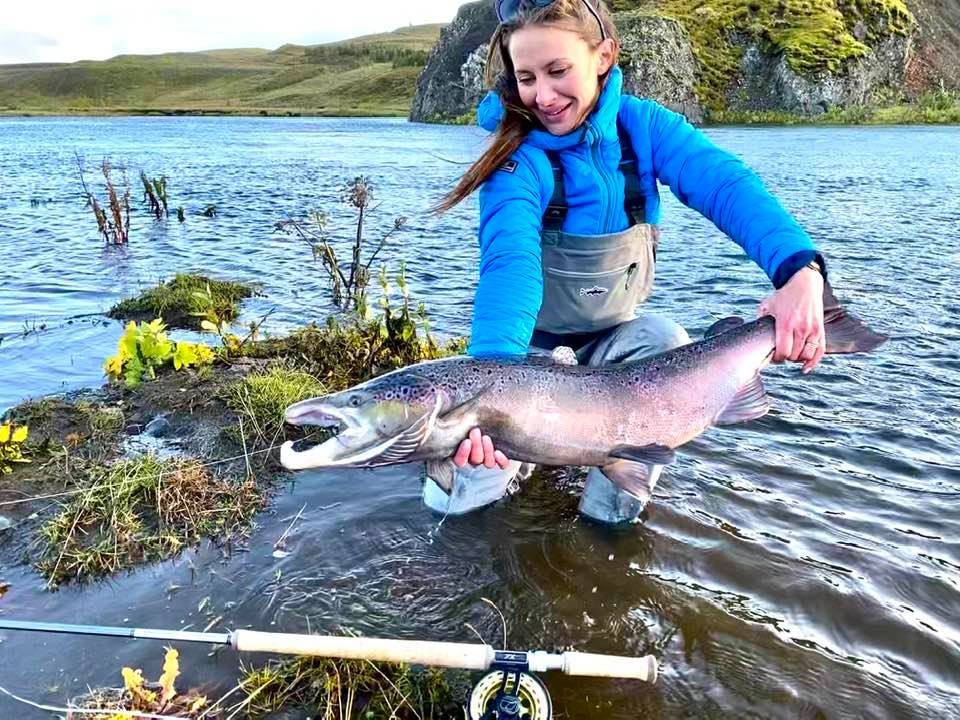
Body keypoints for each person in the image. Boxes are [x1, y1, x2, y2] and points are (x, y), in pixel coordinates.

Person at [424, 0, 827, 523]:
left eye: (557, 70)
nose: (542, 95)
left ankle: (609, 519)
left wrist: (799, 272)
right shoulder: (516, 159)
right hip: (522, 360)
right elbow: (510, 265)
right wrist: (486, 399)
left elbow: (728, 188)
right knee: (454, 509)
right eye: (526, 78)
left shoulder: (645, 129)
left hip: (617, 354)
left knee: (665, 338)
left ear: (603, 57)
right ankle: (510, 472)